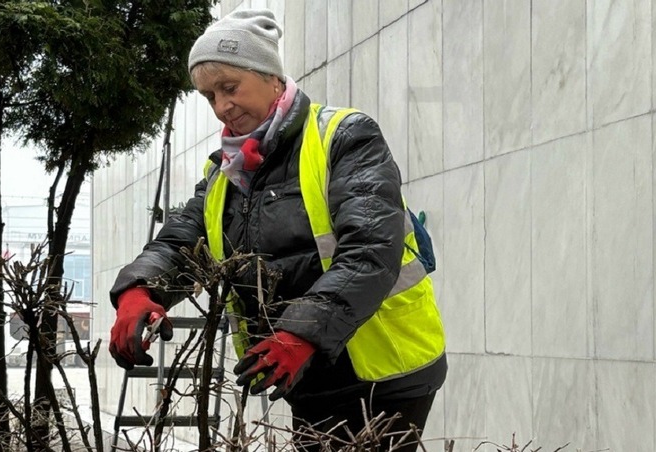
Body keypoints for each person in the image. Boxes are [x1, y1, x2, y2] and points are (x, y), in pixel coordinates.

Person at [109, 9, 447, 451]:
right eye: (210, 96)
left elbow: (371, 248)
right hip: (303, 371)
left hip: (385, 369)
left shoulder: (344, 137)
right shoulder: (226, 174)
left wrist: (301, 333)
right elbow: (179, 241)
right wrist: (138, 290)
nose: (222, 106)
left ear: (271, 77)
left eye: (230, 88)